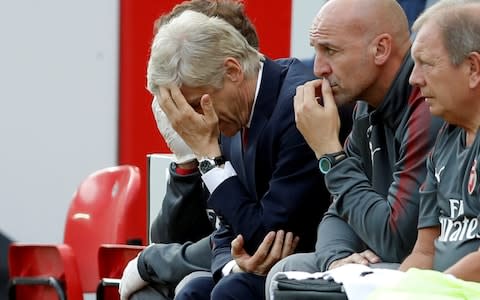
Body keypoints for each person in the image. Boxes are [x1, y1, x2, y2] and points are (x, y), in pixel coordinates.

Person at [266, 0, 443, 297]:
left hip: (432, 271)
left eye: (330, 51)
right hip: (391, 260)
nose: (319, 68)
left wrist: (329, 154)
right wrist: (336, 258)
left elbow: (397, 240)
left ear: (381, 50)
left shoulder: (428, 105)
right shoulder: (365, 107)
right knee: (289, 269)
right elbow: (338, 211)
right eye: (316, 50)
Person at [119, 1, 262, 299]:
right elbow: (168, 240)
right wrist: (187, 163)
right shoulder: (213, 131)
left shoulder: (251, 123)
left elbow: (243, 238)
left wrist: (151, 261)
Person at [399, 0, 480, 282]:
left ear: (473, 68)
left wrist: (435, 290)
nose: (413, 78)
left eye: (426, 64)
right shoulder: (446, 136)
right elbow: (424, 252)